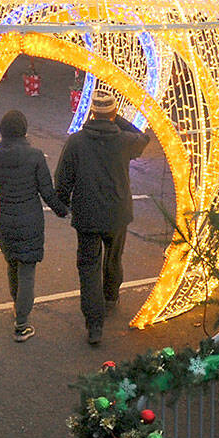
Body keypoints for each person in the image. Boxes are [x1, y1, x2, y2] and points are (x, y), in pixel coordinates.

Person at [54, 89, 150, 345]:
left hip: (87, 213)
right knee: (113, 256)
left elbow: (63, 177)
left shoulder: (76, 141)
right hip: (117, 211)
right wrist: (116, 119)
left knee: (88, 266)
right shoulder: (124, 141)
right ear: (113, 113)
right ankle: (110, 295)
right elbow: (143, 138)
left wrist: (62, 203)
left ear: (91, 112)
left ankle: (94, 324)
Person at [0, 109, 68, 342]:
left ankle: (17, 306)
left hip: (4, 219)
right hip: (29, 218)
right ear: (24, 130)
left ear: (3, 131)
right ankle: (22, 323)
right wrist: (62, 210)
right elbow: (46, 191)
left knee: (12, 264)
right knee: (27, 268)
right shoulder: (36, 156)